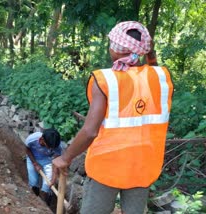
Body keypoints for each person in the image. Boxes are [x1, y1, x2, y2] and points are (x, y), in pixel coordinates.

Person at [52, 21, 174, 214]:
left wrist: (65, 158)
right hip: (142, 167)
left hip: (107, 167)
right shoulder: (160, 76)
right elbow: (152, 67)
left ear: (116, 50)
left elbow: (90, 131)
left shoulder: (105, 80)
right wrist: (150, 53)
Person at [25, 128, 62, 205]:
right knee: (33, 182)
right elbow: (27, 149)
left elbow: (56, 161)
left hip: (47, 160)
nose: (50, 149)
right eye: (48, 146)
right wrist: (35, 163)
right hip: (32, 158)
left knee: (47, 186)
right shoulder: (32, 139)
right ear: (41, 139)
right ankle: (34, 199)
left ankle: (45, 202)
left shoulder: (57, 146)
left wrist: (54, 177)